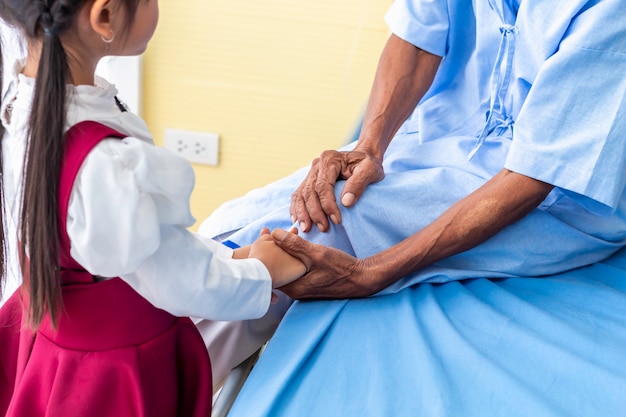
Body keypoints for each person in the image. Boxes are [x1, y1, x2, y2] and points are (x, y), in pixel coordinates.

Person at [198, 0, 626, 415]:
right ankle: (166, 342)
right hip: (444, 138)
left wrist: (373, 272)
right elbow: (419, 39)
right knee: (238, 221)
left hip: (557, 196)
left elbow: (534, 175)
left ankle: (163, 374)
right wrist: (369, 146)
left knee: (318, 231)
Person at [0, 1, 304, 416]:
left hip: (50, 340)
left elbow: (147, 246)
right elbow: (180, 279)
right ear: (104, 16)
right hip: (109, 373)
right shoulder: (104, 165)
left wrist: (233, 255)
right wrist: (263, 272)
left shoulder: (21, 106)